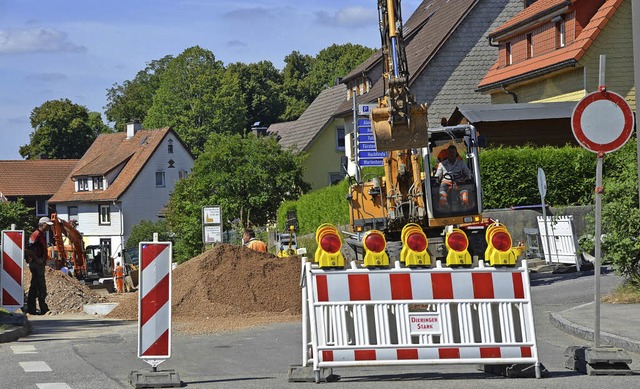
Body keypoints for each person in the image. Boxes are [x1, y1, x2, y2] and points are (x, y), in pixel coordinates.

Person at [25, 216, 52, 315]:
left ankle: (32, 308)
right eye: (48, 225)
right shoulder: (36, 235)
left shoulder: (41, 235)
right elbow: (28, 248)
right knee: (40, 286)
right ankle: (43, 308)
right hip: (36, 264)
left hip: (38, 263)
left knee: (35, 286)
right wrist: (37, 259)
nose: (49, 228)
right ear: (43, 225)